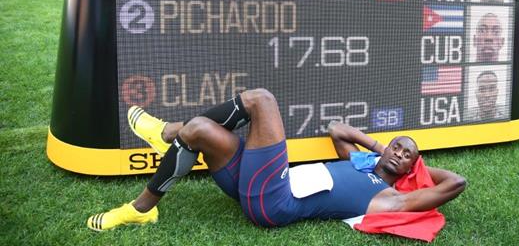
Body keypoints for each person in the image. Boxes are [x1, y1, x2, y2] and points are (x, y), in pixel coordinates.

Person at [87, 89, 466, 231]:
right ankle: (142, 208)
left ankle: (167, 133)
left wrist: (415, 167)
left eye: (407, 155)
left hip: (272, 203)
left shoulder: (388, 198)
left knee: (261, 101)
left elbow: (456, 182)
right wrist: (381, 148)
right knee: (200, 129)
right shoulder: (359, 162)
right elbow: (337, 129)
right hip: (256, 185)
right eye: (398, 147)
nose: (399, 153)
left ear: (411, 167)